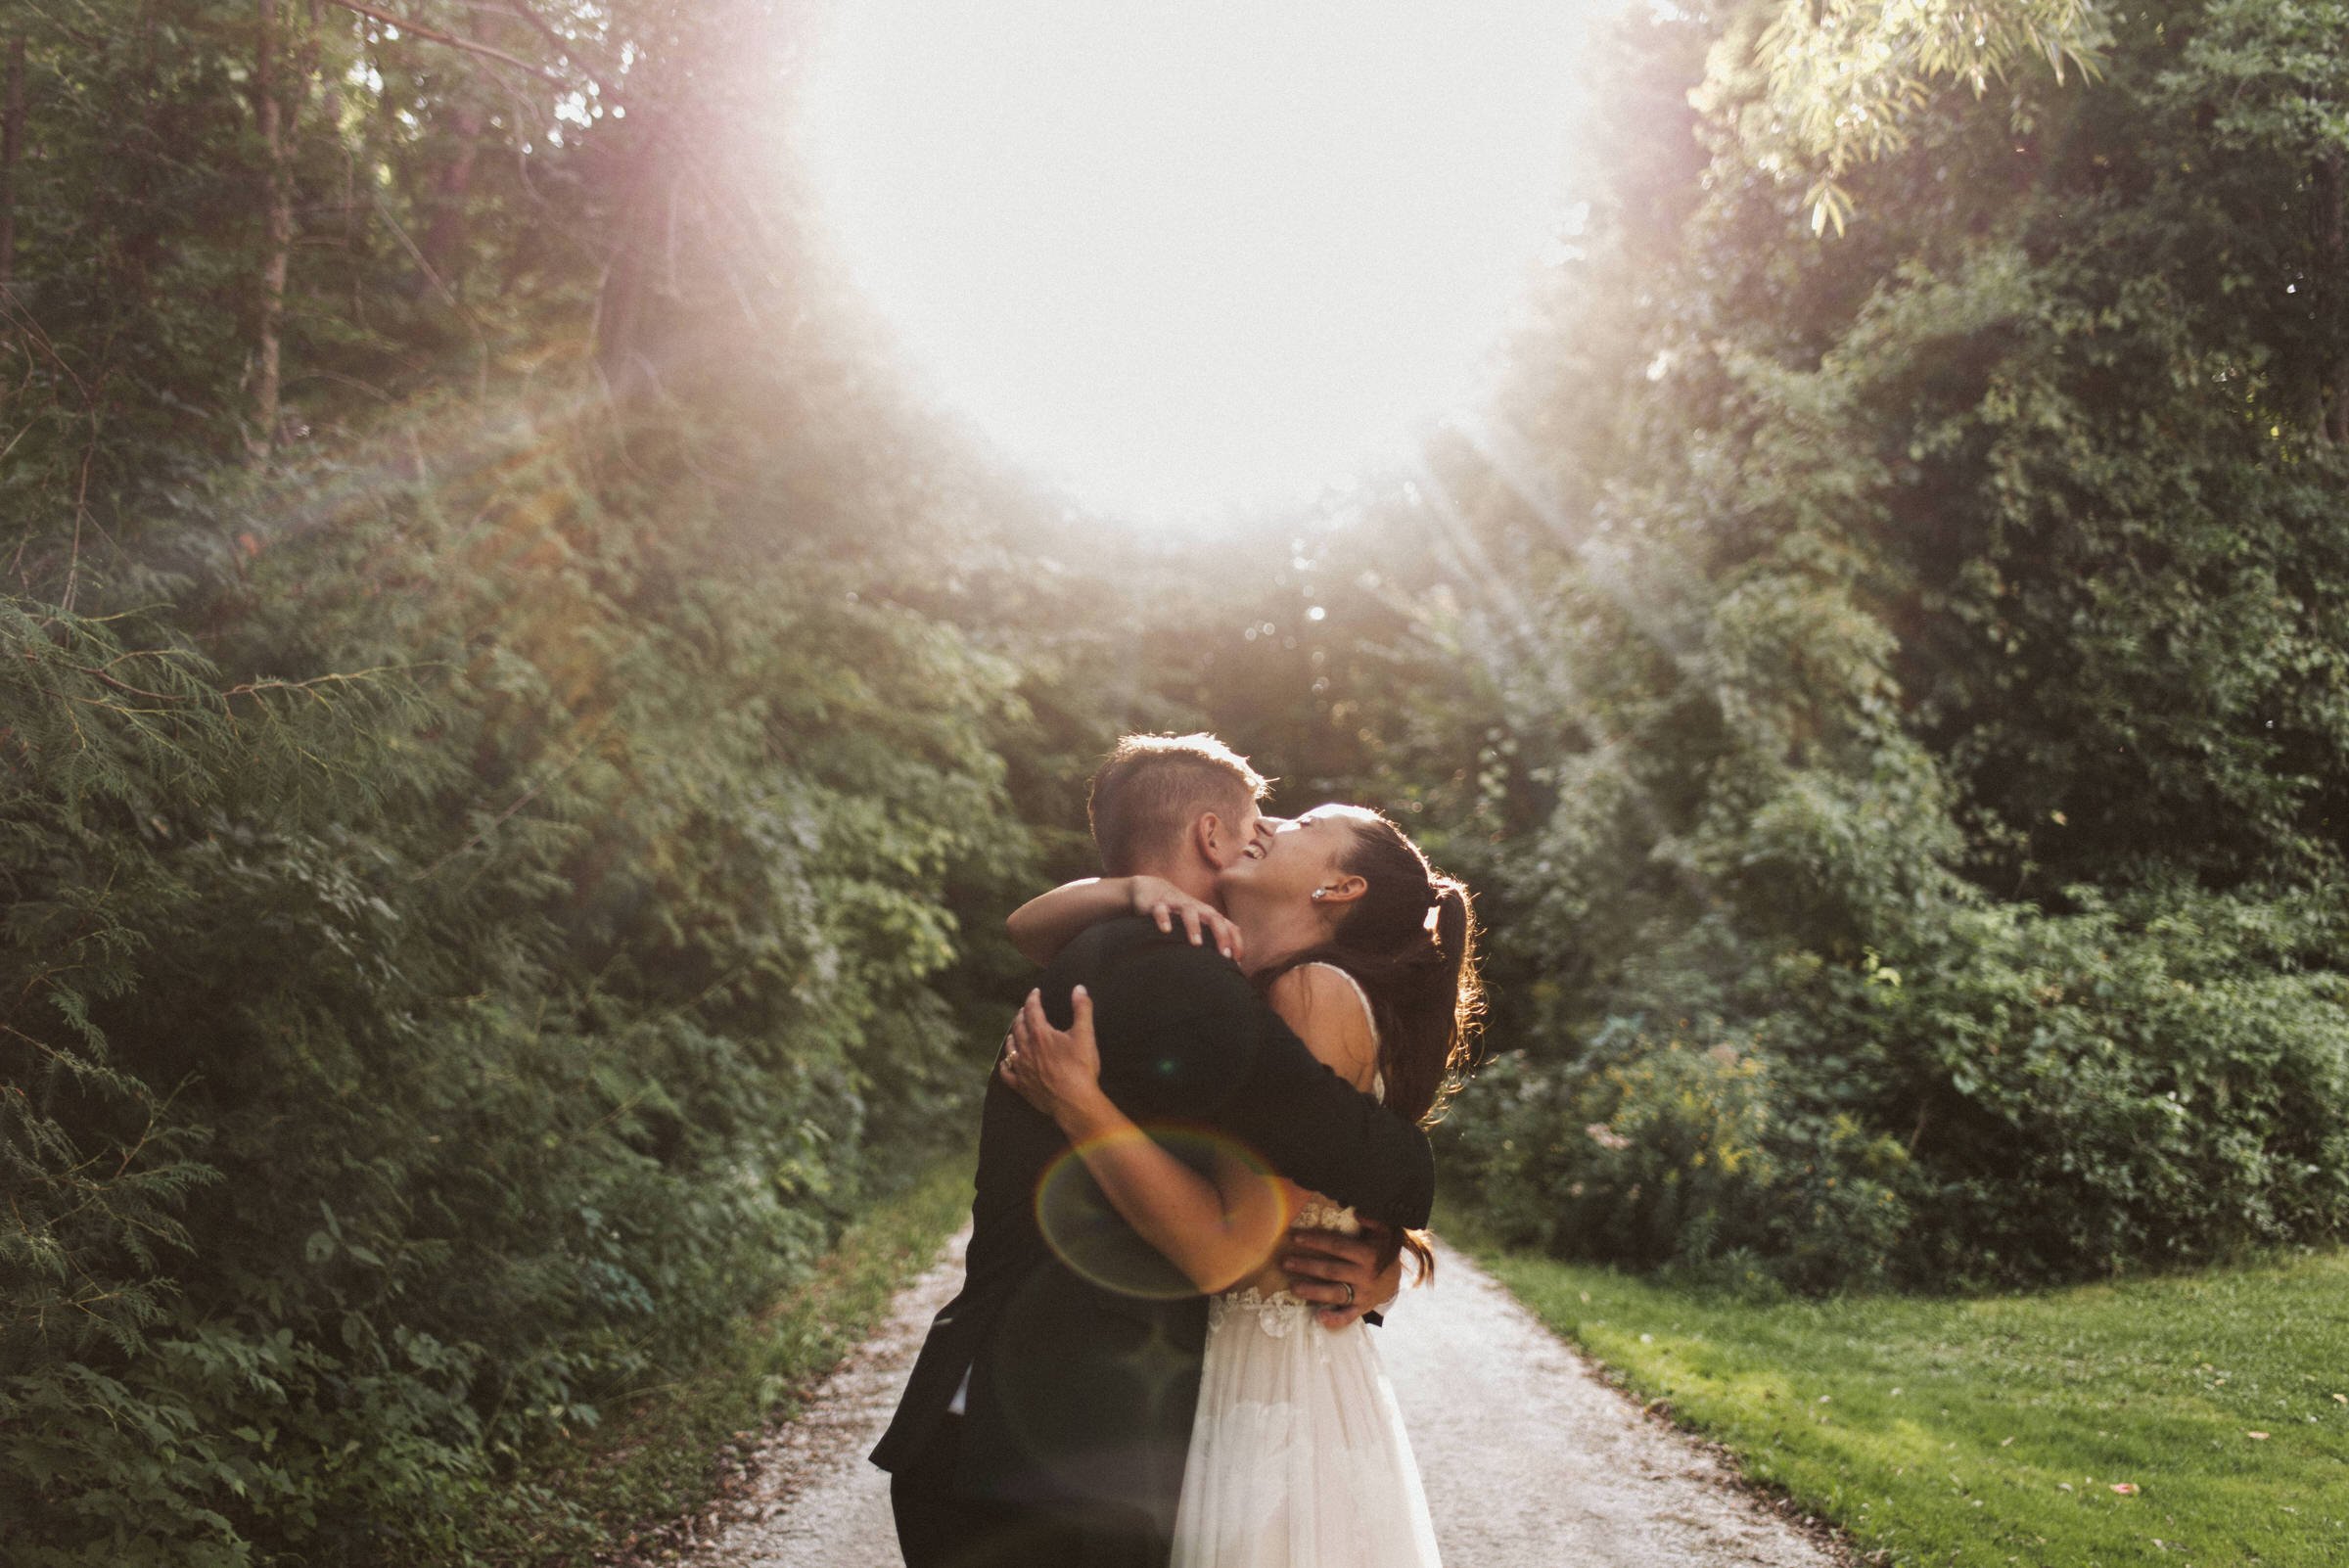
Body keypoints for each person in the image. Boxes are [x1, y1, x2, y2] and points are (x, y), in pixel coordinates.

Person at [872, 735, 1437, 1567]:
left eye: (1300, 821)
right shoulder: (1190, 983)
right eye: (1258, 818)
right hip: (1046, 1451)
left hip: (1007, 1433)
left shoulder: (1125, 955)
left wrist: (1381, 1255)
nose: (1269, 828)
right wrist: (1406, 1202)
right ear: (1213, 837)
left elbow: (1310, 1173)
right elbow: (1352, 1160)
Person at [1000, 800, 1479, 1568]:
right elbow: (1031, 927)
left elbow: (1227, 1246)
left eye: (1301, 825)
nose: (1269, 824)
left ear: (1339, 888)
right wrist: (1129, 891)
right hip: (1268, 1368)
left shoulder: (1312, 991)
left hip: (1273, 1383)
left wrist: (1079, 1103)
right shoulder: (1246, 968)